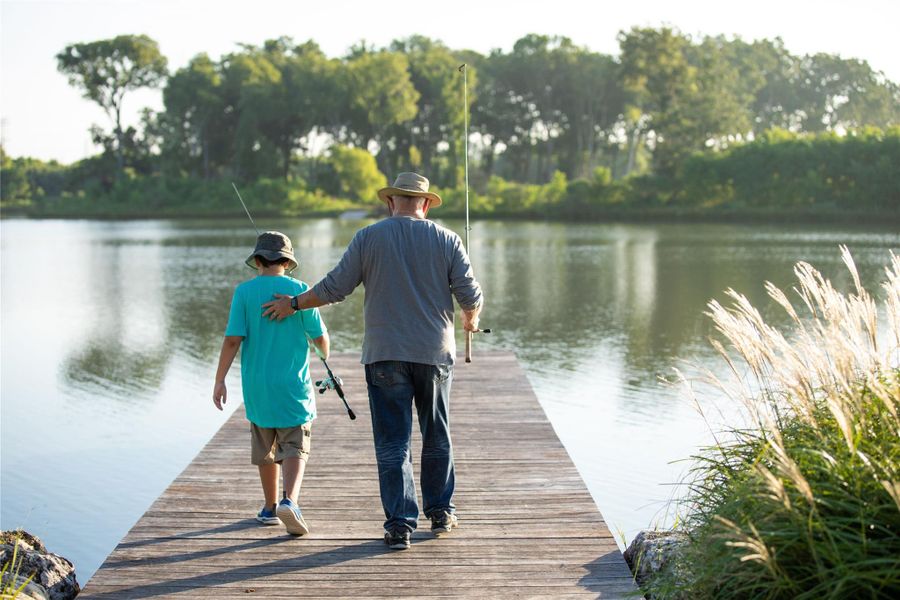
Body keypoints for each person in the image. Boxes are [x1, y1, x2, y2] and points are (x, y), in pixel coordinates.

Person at [262, 172, 483, 551]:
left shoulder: (368, 238)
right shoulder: (448, 239)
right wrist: (471, 318)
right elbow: (470, 293)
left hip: (384, 355)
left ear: (390, 202)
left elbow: (334, 288)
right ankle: (441, 512)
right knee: (437, 433)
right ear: (426, 204)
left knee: (393, 442)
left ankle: (400, 526)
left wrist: (294, 303)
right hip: (433, 354)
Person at [213, 231, 329, 536]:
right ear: (288, 262)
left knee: (265, 446)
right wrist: (322, 353)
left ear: (258, 260)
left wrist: (220, 380)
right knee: (295, 444)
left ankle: (269, 507)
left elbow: (231, 340)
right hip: (294, 386)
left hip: (257, 388)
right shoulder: (301, 291)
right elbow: (320, 340)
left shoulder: (244, 292)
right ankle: (289, 500)